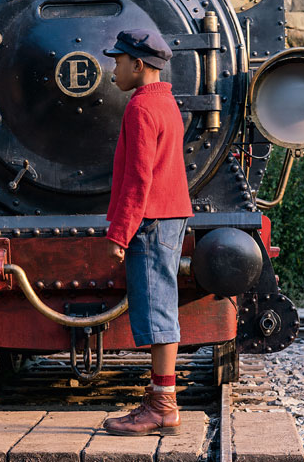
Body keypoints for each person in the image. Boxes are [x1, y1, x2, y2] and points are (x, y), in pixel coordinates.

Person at [100, 29, 193, 436]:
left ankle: (161, 407)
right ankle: (160, 401)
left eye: (118, 61)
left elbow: (138, 180)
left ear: (138, 65)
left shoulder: (140, 109)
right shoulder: (165, 102)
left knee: (157, 310)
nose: (112, 69)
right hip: (169, 216)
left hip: (151, 220)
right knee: (162, 305)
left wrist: (120, 233)